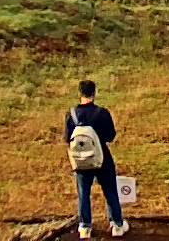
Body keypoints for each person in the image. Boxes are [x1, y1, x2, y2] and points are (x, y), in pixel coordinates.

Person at [64, 80, 129, 239]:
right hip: (102, 158)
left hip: (81, 161)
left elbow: (67, 138)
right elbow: (110, 136)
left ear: (79, 94)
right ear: (94, 93)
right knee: (110, 191)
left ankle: (85, 227)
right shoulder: (102, 113)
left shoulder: (71, 114)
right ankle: (117, 225)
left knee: (83, 194)